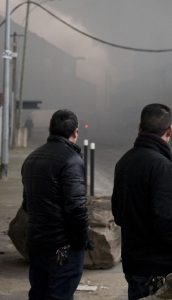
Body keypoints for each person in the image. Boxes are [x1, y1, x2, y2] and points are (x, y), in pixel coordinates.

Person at [112, 104, 172, 300]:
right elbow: (167, 220)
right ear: (169, 130)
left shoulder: (124, 161)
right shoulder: (161, 166)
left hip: (133, 263)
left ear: (140, 128)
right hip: (158, 267)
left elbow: (118, 214)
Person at [21, 109, 92, 300]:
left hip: (36, 244)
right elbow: (77, 209)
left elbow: (27, 205)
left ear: (50, 129)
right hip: (63, 249)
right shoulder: (71, 160)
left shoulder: (31, 159)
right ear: (75, 132)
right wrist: (81, 241)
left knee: (38, 294)